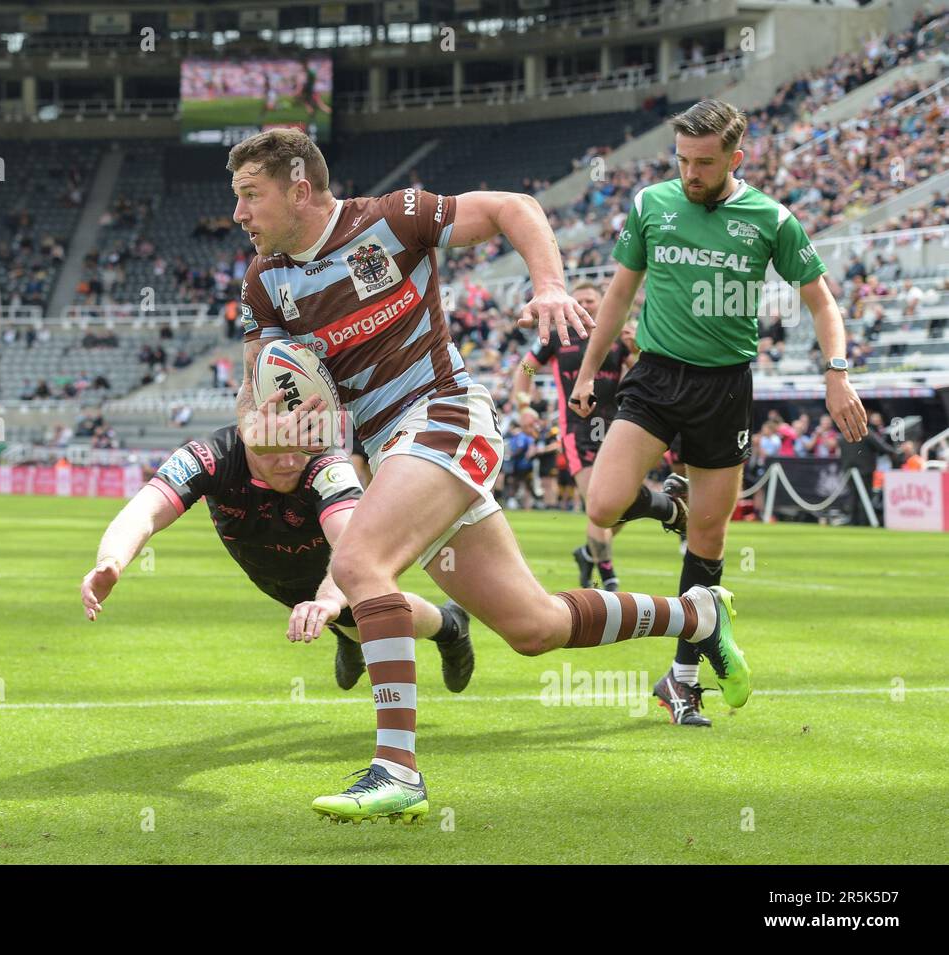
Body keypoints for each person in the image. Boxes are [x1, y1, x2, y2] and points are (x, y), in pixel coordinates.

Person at [229, 127, 749, 822]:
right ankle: (696, 612)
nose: (238, 213)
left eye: (249, 195)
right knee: (535, 627)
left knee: (358, 564)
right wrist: (265, 429)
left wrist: (550, 285)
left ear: (299, 188)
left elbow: (513, 207)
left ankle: (396, 769)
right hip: (396, 451)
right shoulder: (266, 284)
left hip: (447, 416)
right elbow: (255, 393)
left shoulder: (391, 218)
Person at [569, 100, 867, 726]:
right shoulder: (652, 205)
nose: (690, 173)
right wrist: (591, 370)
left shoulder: (770, 219)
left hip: (726, 386)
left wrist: (836, 375)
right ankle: (667, 507)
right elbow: (621, 292)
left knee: (709, 538)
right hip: (654, 376)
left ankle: (680, 681)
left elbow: (822, 303)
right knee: (603, 502)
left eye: (704, 163)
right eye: (681, 160)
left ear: (736, 157)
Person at [79, 426, 475, 693]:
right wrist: (112, 560)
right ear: (246, 437)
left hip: (336, 574)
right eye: (272, 452)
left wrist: (329, 601)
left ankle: (449, 626)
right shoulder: (209, 456)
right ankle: (343, 629)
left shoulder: (327, 464)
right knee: (348, 623)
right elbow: (144, 510)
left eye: (296, 449)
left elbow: (353, 546)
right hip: (276, 578)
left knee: (367, 610)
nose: (288, 461)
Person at [515, 282, 636, 588]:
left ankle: (588, 553)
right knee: (597, 505)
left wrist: (636, 350)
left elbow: (640, 373)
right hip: (576, 428)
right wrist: (524, 406)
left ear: (602, 303)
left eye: (591, 300)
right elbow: (527, 368)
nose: (586, 304)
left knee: (620, 508)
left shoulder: (620, 337)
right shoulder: (556, 337)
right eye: (579, 300)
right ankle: (609, 577)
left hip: (617, 427)